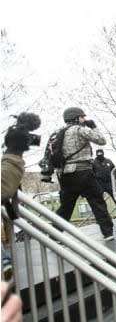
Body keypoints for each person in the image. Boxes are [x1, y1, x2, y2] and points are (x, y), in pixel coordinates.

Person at [55, 107, 114, 241]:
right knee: (97, 201)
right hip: (83, 171)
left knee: (66, 206)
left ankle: (55, 233)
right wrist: (93, 127)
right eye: (82, 117)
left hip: (65, 174)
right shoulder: (79, 130)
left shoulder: (58, 132)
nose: (84, 119)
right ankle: (108, 232)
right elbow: (101, 140)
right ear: (76, 118)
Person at [2, 112, 41, 279]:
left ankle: (4, 260)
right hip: (12, 166)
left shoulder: (14, 132)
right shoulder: (19, 132)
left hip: (10, 165)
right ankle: (4, 260)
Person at [92, 149, 116, 218]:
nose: (100, 155)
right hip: (99, 183)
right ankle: (101, 217)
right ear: (96, 154)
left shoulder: (108, 161)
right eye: (98, 153)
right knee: (99, 201)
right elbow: (91, 173)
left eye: (101, 153)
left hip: (109, 183)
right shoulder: (93, 163)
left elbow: (114, 169)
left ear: (103, 153)